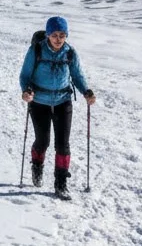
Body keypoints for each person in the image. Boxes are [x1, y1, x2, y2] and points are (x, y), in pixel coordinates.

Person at [19, 16, 96, 200]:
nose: (59, 39)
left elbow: (77, 75)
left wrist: (86, 91)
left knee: (63, 144)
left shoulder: (70, 53)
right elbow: (25, 75)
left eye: (62, 35)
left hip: (63, 101)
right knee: (43, 141)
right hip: (39, 102)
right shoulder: (36, 50)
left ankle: (61, 184)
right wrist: (26, 91)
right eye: (54, 35)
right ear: (48, 35)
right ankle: (37, 167)